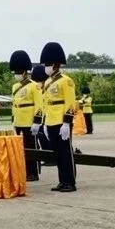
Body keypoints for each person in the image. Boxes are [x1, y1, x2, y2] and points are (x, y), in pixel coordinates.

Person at [40, 42, 77, 192]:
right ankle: (62, 181)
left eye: (48, 64)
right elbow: (46, 104)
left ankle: (70, 182)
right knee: (57, 154)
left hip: (62, 122)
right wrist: (44, 123)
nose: (46, 67)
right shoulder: (48, 82)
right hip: (51, 121)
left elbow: (70, 103)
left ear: (55, 64)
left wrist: (67, 123)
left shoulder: (66, 81)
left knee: (66, 153)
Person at [9, 50, 43, 182]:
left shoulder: (34, 86)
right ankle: (25, 170)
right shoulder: (15, 87)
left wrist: (37, 122)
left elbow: (39, 105)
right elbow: (15, 104)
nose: (17, 75)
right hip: (18, 121)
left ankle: (33, 172)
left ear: (25, 72)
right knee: (21, 149)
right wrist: (13, 119)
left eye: (18, 72)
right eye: (15, 72)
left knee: (31, 148)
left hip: (29, 122)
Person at [30, 64, 51, 154]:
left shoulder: (48, 90)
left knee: (47, 137)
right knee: (40, 137)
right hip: (40, 118)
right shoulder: (36, 90)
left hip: (48, 118)